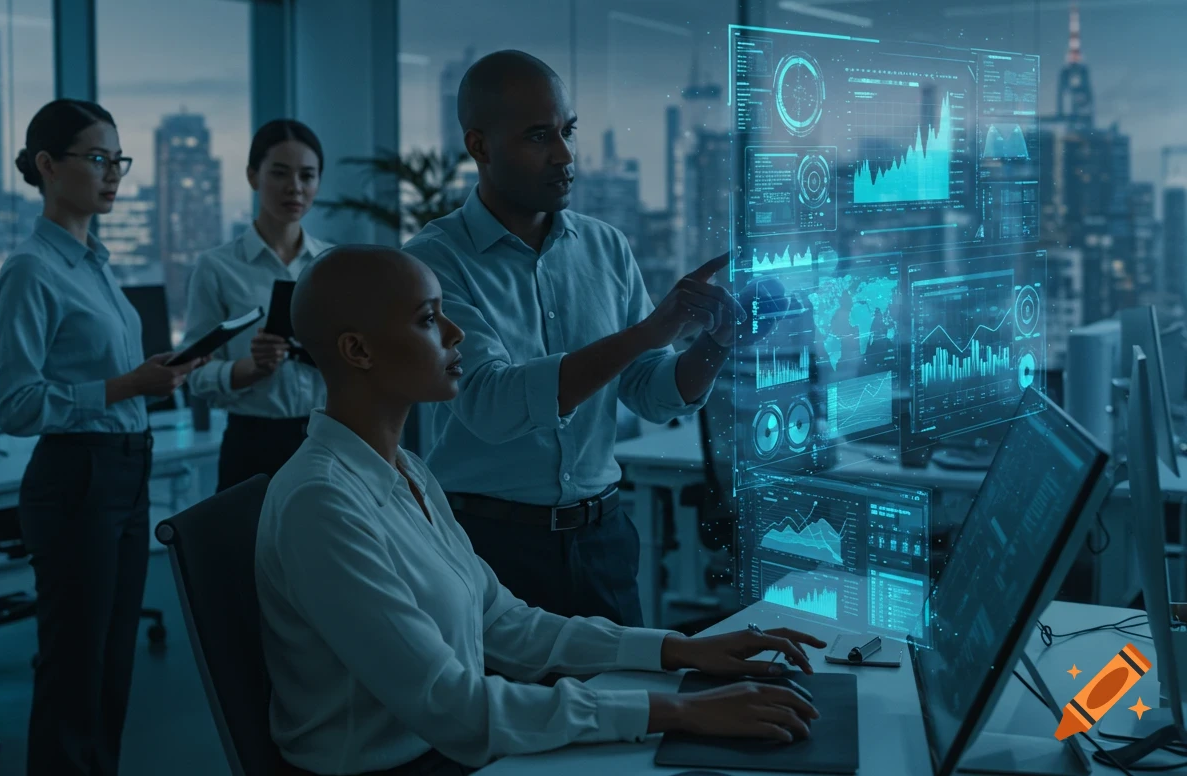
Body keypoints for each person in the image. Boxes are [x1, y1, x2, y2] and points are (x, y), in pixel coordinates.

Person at [256, 244, 823, 776]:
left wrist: (681, 650)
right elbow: (456, 709)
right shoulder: (322, 502)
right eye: (429, 320)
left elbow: (503, 622)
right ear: (358, 351)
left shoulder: (404, 469)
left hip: (444, 752)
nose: (457, 335)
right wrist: (679, 712)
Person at [403, 50, 786, 626]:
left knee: (625, 708)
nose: (563, 156)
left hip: (602, 540)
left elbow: (651, 393)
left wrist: (714, 344)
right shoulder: (434, 262)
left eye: (567, 131)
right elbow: (490, 403)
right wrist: (650, 330)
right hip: (489, 547)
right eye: (538, 136)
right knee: (509, 713)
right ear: (478, 146)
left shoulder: (605, 247)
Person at [0, 99, 207, 776]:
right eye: (96, 158)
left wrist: (151, 379)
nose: (112, 173)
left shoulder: (97, 265)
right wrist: (126, 388)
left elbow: (111, 374)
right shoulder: (32, 269)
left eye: (118, 159)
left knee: (112, 670)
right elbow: (15, 404)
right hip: (76, 477)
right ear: (49, 167)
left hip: (124, 470)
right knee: (74, 672)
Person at [184, 119, 333, 492]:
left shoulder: (334, 264)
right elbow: (193, 373)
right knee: (247, 550)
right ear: (253, 176)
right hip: (253, 444)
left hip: (328, 441)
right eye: (280, 173)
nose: (295, 188)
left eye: (307, 176)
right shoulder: (217, 266)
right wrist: (248, 370)